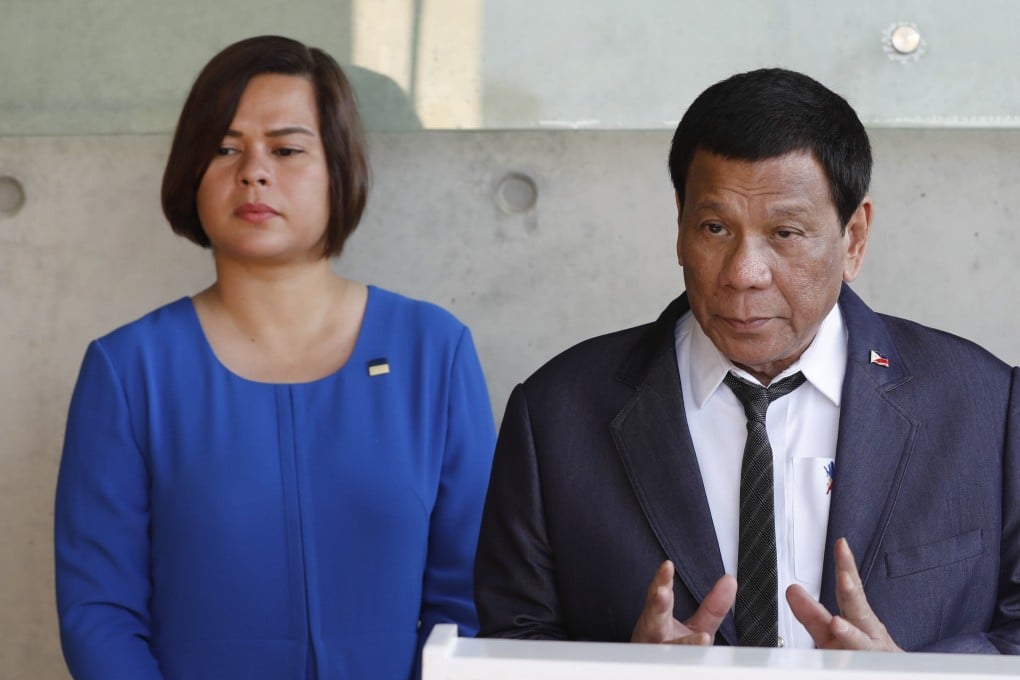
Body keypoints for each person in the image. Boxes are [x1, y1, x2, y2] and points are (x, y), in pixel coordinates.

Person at [474, 68, 1020, 653]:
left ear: (854, 238)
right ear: (680, 228)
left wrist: (910, 678)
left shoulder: (986, 406)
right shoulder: (556, 414)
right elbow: (512, 643)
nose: (743, 274)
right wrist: (624, 671)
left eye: (785, 233)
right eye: (715, 228)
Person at [55, 35, 496, 679]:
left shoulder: (433, 350)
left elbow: (469, 597)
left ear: (339, 166)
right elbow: (99, 611)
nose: (254, 171)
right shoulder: (129, 370)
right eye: (226, 148)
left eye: (286, 149)